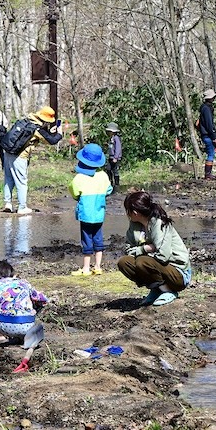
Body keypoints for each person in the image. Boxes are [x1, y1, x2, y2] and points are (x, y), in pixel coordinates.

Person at [118, 190, 192, 306]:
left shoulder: (159, 223)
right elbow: (128, 249)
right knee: (124, 262)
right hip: (157, 265)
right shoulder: (134, 225)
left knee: (142, 261)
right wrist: (147, 248)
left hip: (178, 272)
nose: (127, 214)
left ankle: (168, 291)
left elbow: (163, 256)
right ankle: (157, 289)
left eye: (128, 210)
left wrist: (141, 253)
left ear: (135, 212)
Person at [0, 259, 49, 346]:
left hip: (7, 326)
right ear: (13, 275)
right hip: (29, 326)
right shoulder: (23, 283)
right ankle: (23, 335)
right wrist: (33, 310)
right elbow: (43, 300)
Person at [3, 106, 63, 215]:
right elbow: (52, 141)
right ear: (45, 121)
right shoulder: (38, 129)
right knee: (22, 181)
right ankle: (22, 207)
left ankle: (8, 203)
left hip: (8, 152)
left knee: (9, 179)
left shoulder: (27, 120)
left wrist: (49, 132)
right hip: (20, 156)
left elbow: (43, 136)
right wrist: (59, 134)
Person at [68, 143, 113, 276]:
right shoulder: (103, 176)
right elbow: (109, 190)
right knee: (98, 239)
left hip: (86, 215)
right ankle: (98, 266)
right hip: (99, 214)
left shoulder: (79, 178)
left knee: (86, 240)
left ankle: (86, 268)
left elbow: (74, 193)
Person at [198, 89, 216, 180]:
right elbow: (209, 124)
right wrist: (213, 136)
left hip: (206, 134)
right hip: (207, 135)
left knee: (211, 153)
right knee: (211, 154)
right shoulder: (206, 109)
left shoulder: (205, 107)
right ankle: (208, 174)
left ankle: (208, 174)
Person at [106, 122, 122, 187]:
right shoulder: (111, 138)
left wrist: (116, 157)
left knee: (115, 171)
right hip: (111, 157)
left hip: (115, 158)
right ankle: (110, 182)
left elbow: (118, 148)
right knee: (108, 169)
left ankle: (116, 184)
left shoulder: (116, 138)